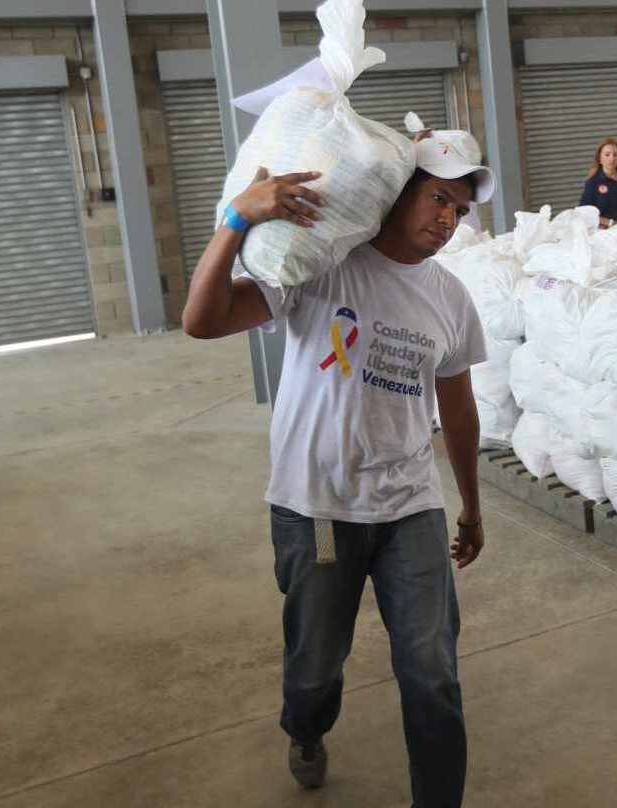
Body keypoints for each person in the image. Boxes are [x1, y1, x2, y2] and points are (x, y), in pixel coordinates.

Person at [181, 129, 495, 808]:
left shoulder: (450, 299)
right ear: (397, 193)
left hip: (411, 502)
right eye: (438, 198)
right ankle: (306, 729)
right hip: (315, 504)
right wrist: (238, 219)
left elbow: (459, 411)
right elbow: (201, 321)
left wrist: (469, 505)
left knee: (433, 672)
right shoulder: (320, 264)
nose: (447, 220)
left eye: (460, 210)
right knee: (315, 670)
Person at [579, 136, 617, 227]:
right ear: (600, 159)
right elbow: (584, 214)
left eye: (615, 155)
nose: (612, 159)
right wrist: (611, 223)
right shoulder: (593, 183)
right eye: (607, 155)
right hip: (606, 233)